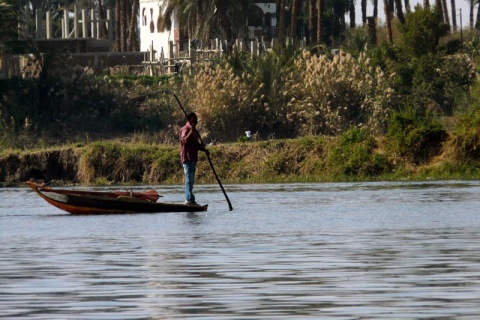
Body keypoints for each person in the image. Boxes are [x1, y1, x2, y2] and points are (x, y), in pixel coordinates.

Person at [179, 112, 210, 205]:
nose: (197, 121)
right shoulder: (186, 129)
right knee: (189, 179)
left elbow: (195, 144)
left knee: (191, 179)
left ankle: (190, 199)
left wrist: (204, 150)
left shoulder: (194, 130)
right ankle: (188, 199)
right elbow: (184, 140)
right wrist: (191, 132)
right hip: (187, 158)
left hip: (193, 157)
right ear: (192, 119)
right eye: (195, 119)